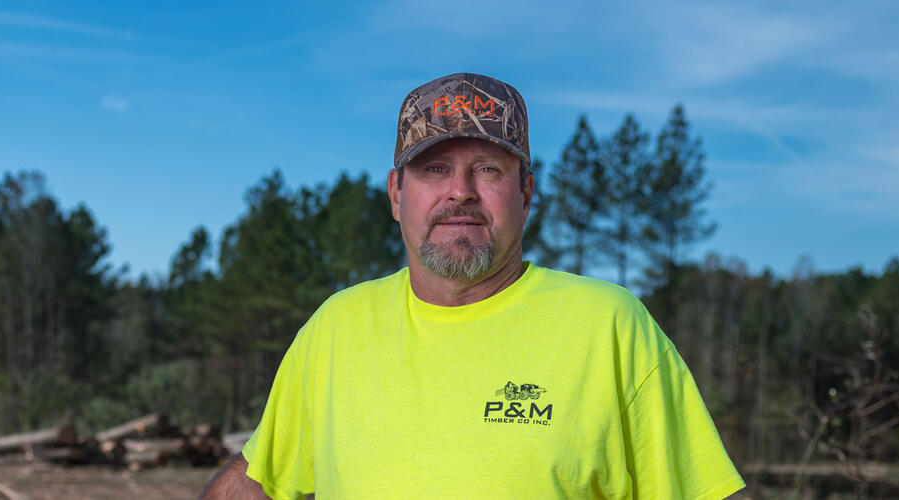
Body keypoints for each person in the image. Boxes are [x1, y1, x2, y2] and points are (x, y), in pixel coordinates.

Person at [199, 73, 744, 499]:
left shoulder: (609, 326)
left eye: (487, 169)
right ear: (396, 194)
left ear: (526, 194)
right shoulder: (337, 328)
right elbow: (260, 479)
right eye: (435, 169)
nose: (459, 192)